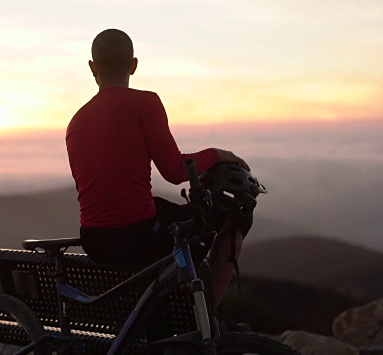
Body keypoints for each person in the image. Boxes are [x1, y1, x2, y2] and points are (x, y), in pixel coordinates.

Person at [66, 28, 252, 306]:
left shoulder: (75, 122)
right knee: (236, 214)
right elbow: (176, 172)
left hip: (95, 241)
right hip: (139, 239)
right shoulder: (145, 103)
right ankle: (206, 320)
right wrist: (217, 154)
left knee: (165, 210)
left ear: (92, 67)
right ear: (134, 64)